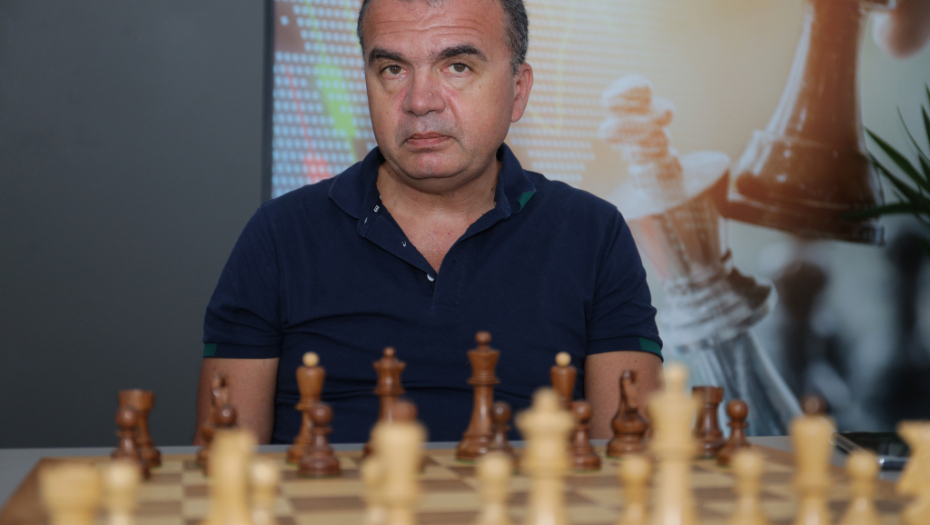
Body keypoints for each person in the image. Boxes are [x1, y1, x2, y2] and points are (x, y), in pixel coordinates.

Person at [195, 0, 663, 445]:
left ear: (518, 90)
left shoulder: (594, 234)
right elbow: (220, 467)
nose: (420, 101)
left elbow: (629, 464)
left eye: (457, 67)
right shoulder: (279, 236)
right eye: (392, 69)